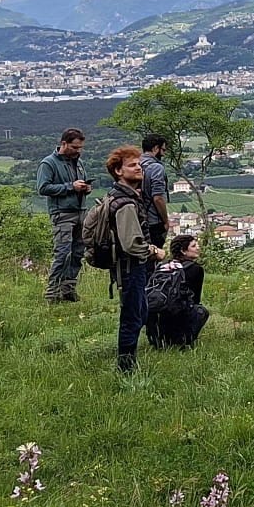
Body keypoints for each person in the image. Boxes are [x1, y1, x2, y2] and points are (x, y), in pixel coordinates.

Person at [103, 144, 166, 373]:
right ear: (118, 171)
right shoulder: (126, 203)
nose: (139, 168)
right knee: (132, 315)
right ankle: (126, 367)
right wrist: (154, 252)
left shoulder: (120, 196)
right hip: (130, 266)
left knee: (138, 311)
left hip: (128, 265)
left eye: (139, 164)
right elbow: (131, 243)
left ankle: (128, 362)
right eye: (132, 165)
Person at [36, 129, 92, 302]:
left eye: (80, 147)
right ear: (64, 144)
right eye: (75, 147)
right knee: (63, 254)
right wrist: (70, 187)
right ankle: (52, 293)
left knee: (77, 253)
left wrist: (85, 188)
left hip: (80, 211)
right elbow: (43, 188)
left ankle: (68, 290)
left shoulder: (79, 162)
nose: (78, 151)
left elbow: (79, 183)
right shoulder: (48, 163)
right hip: (62, 214)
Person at [139, 134, 171, 245]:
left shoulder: (135, 165)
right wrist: (165, 221)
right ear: (156, 148)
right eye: (163, 150)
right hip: (153, 221)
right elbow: (158, 198)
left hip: (138, 218)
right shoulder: (156, 167)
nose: (164, 154)